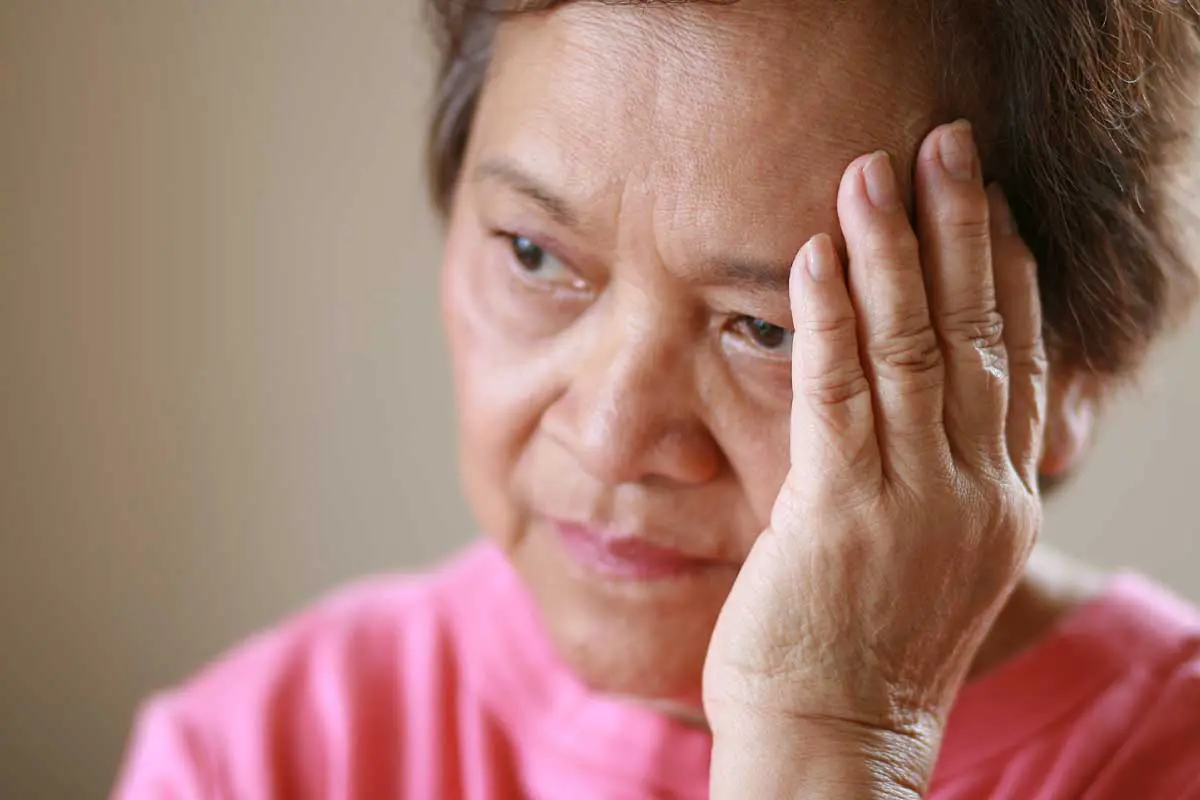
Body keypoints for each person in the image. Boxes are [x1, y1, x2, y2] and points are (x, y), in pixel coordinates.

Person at [113, 0, 1200, 797]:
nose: (614, 434)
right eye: (537, 255)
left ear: (1069, 370)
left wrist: (832, 744)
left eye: (772, 328)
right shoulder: (260, 754)